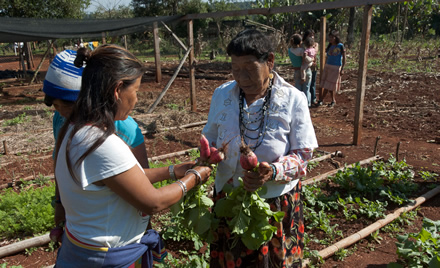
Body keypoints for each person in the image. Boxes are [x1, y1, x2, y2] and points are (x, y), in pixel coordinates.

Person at [53, 44, 212, 267]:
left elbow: (124, 177)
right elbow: (153, 203)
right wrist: (194, 177)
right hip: (104, 259)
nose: (136, 100)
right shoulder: (102, 143)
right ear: (118, 89)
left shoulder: (74, 129)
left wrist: (173, 171)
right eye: (135, 91)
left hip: (80, 250)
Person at [203, 29, 318, 268]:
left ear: (270, 61)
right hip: (229, 198)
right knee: (230, 258)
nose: (241, 76)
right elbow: (211, 138)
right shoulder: (222, 94)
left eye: (248, 68)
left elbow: (303, 155)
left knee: (273, 261)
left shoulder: (293, 99)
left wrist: (273, 171)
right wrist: (211, 154)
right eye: (235, 68)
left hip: (274, 202)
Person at [43, 49, 150, 169]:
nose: (62, 113)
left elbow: (143, 174)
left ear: (89, 100)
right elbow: (61, 164)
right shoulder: (60, 120)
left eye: (68, 107)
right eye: (56, 106)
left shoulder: (123, 126)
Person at [317, 30, 346, 107]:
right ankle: (332, 100)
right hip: (328, 66)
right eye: (329, 37)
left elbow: (344, 58)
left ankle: (321, 100)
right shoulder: (329, 46)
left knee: (329, 85)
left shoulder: (340, 46)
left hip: (336, 67)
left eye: (331, 37)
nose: (330, 39)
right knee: (329, 85)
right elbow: (327, 57)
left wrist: (342, 68)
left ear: (336, 37)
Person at [288, 33, 312, 106]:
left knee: (298, 89)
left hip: (296, 71)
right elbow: (307, 59)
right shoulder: (301, 50)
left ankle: (299, 105)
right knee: (306, 89)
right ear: (300, 42)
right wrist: (312, 60)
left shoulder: (289, 50)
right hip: (306, 70)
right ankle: (307, 105)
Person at [302, 30, 319, 107]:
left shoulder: (315, 45)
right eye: (310, 35)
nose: (312, 37)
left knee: (313, 83)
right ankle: (306, 100)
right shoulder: (303, 45)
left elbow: (315, 52)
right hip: (306, 66)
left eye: (313, 35)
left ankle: (313, 99)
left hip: (313, 66)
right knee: (306, 84)